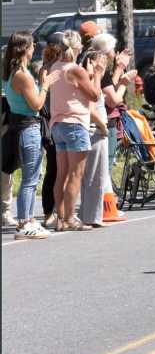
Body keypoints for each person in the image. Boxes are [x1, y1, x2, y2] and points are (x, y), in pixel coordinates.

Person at [2, 31, 59, 239]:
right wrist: (46, 84)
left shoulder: (13, 72)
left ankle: (28, 219)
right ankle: (25, 222)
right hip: (28, 127)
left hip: (23, 126)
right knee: (30, 178)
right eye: (33, 44)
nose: (35, 47)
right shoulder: (22, 75)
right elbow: (36, 104)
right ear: (25, 48)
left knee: (32, 176)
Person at [48, 30, 108, 231]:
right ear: (74, 48)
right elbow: (94, 95)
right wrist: (98, 74)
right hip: (75, 123)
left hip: (58, 123)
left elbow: (73, 90)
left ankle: (60, 217)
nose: (82, 47)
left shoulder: (55, 67)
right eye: (80, 44)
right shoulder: (75, 69)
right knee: (75, 174)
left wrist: (89, 75)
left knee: (62, 174)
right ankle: (70, 218)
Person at [79, 33, 122, 227]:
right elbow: (96, 99)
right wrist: (102, 125)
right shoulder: (97, 68)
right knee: (97, 173)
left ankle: (88, 213)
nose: (114, 53)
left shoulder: (87, 64)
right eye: (112, 49)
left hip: (91, 122)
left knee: (90, 173)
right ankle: (93, 216)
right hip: (95, 124)